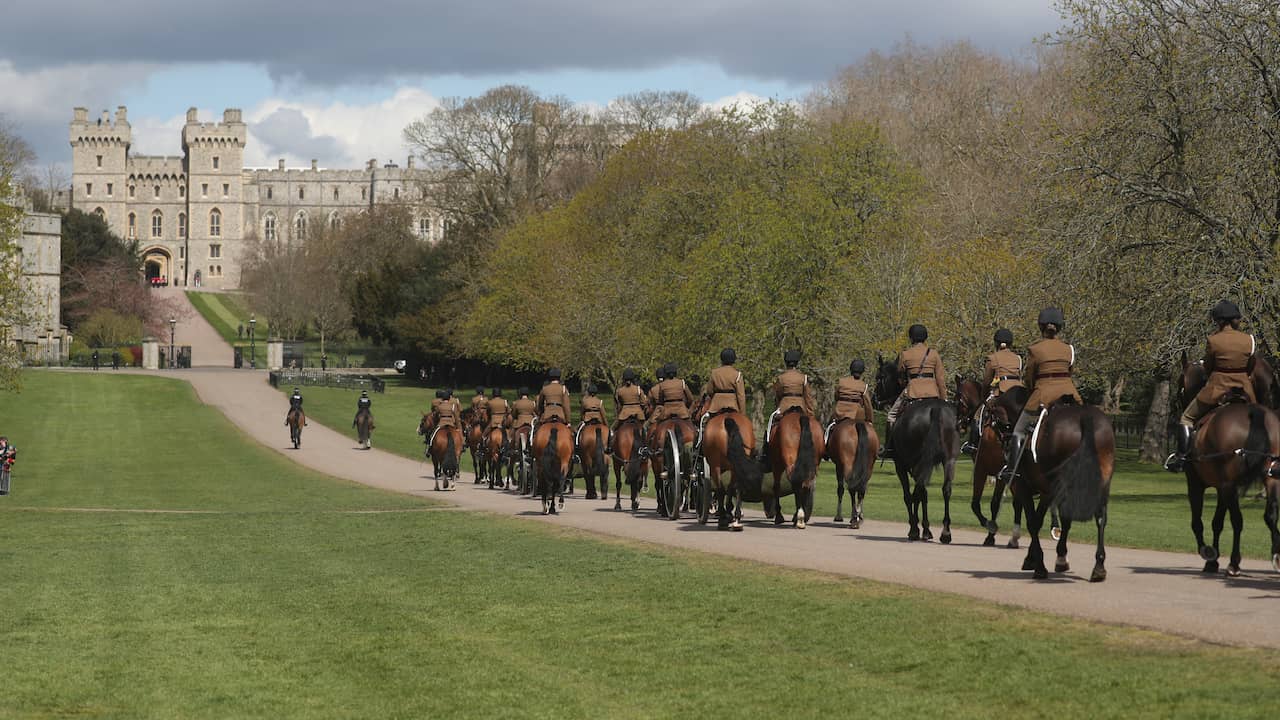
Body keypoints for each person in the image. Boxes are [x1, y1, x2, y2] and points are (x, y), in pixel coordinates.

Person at [1166, 300, 1258, 472]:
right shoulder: (1249, 340)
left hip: (1217, 388)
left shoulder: (1213, 340)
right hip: (1245, 390)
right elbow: (1251, 366)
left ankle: (1181, 458)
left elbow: (1208, 366)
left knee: (1187, 418)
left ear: (1219, 321)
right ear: (1236, 319)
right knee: (1262, 419)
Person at [1000, 308, 1082, 482]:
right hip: (1070, 393)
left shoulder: (1035, 349)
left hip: (1043, 395)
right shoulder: (1069, 349)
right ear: (1059, 327)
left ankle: (1012, 470)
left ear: (1041, 326)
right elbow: (1070, 372)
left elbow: (1029, 377)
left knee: (1019, 431)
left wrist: (1031, 388)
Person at [882, 324, 947, 459]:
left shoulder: (905, 354)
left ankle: (889, 448)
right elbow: (940, 379)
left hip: (913, 392)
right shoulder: (934, 354)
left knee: (891, 416)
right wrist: (944, 399)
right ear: (925, 337)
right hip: (933, 392)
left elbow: (900, 377)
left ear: (911, 338)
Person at [962, 328, 1024, 455]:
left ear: (996, 343)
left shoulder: (992, 358)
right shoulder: (1018, 358)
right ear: (1010, 343)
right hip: (1018, 393)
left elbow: (986, 382)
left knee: (978, 415)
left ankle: (973, 444)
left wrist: (983, 398)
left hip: (1000, 391)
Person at [768, 349, 815, 443]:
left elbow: (778, 395)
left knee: (771, 423)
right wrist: (810, 413)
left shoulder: (781, 378)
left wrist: (778, 406)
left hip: (784, 406)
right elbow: (808, 397)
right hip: (801, 406)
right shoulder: (803, 377)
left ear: (786, 362)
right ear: (797, 363)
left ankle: (767, 446)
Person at [826, 359, 875, 446]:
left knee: (829, 428)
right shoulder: (864, 385)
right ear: (862, 371)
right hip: (856, 415)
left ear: (851, 369)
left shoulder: (841, 382)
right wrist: (869, 420)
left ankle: (825, 446)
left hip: (840, 413)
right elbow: (867, 405)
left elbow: (836, 396)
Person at [607, 369, 649, 453]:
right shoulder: (638, 390)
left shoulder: (620, 391)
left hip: (624, 414)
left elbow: (620, 404)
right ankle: (645, 447)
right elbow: (644, 403)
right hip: (638, 414)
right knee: (644, 429)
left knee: (612, 429)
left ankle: (610, 447)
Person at [577, 384, 609, 448]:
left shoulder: (584, 401)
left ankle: (577, 444)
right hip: (598, 419)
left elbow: (582, 412)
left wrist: (582, 419)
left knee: (577, 432)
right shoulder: (599, 402)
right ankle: (609, 446)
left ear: (588, 392)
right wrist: (606, 424)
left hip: (587, 420)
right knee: (609, 433)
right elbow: (603, 414)